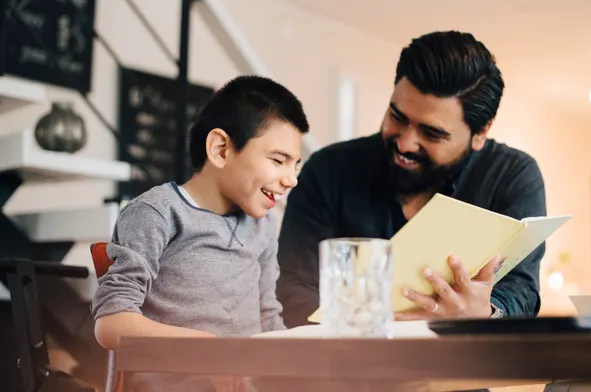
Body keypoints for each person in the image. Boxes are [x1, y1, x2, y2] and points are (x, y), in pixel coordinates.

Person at [277, 30, 546, 329]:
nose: (405, 143)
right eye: (397, 117)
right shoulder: (329, 169)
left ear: (481, 132)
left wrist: (485, 313)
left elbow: (521, 289)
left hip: (461, 368)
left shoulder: (512, 176)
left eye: (431, 133)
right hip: (345, 366)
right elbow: (294, 287)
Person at [91, 76, 309, 391]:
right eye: (278, 161)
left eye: (296, 167)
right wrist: (207, 352)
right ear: (221, 149)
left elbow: (268, 320)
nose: (291, 180)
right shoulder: (157, 213)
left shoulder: (263, 226)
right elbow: (111, 323)